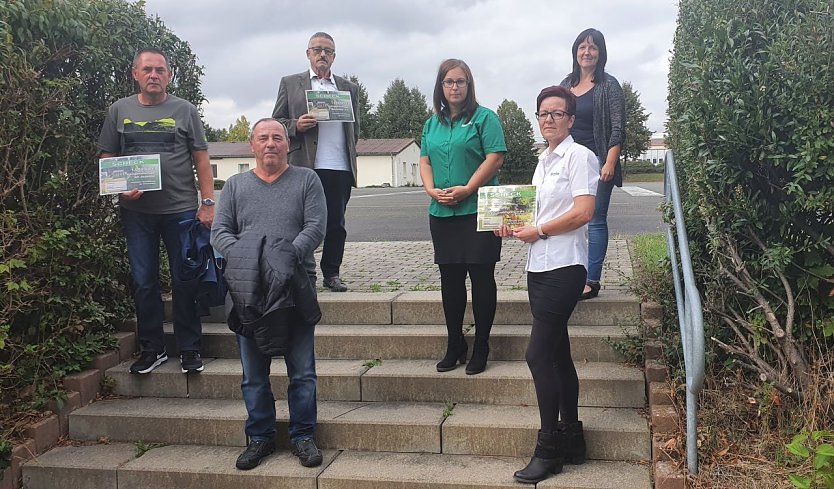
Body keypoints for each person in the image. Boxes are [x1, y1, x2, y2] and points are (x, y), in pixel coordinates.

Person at [210, 118, 327, 470]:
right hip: (248, 292)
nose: (271, 143)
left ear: (288, 144)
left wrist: (282, 259)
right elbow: (220, 232)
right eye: (263, 138)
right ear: (252, 145)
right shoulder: (235, 186)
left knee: (302, 371)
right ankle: (260, 437)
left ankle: (303, 435)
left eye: (277, 137)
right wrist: (253, 261)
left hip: (296, 288)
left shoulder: (307, 180)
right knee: (253, 375)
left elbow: (315, 226)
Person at [496, 86, 598, 484]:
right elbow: (536, 215)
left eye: (557, 113)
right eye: (543, 113)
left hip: (565, 266)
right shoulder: (543, 161)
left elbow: (584, 212)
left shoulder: (579, 156)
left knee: (537, 355)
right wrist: (509, 225)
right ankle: (573, 438)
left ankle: (548, 448)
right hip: (538, 266)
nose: (549, 119)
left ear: (571, 119)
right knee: (558, 355)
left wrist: (538, 230)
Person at [98, 48, 213, 375]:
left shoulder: (185, 110)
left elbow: (201, 158)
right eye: (147, 69)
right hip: (137, 213)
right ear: (135, 73)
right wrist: (120, 187)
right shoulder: (119, 110)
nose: (154, 75)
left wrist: (207, 203)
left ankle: (190, 348)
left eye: (160, 70)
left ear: (169, 75)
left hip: (181, 210)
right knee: (144, 281)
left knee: (185, 280)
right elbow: (107, 157)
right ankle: (153, 349)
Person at [419, 59, 506, 375]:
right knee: (450, 280)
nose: (454, 87)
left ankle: (482, 345)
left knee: (482, 278)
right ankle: (455, 343)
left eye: (460, 81)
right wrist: (431, 190)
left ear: (469, 85)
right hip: (443, 212)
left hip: (481, 208)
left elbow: (495, 158)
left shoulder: (485, 118)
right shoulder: (431, 124)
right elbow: (425, 161)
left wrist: (468, 188)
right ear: (440, 87)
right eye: (448, 82)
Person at [272, 32, 360, 292]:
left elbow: (355, 129)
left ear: (334, 56)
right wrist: (295, 125)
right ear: (308, 53)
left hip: (339, 166)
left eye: (328, 51)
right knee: (298, 222)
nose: (323, 55)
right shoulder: (290, 83)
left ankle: (332, 273)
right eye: (318, 49)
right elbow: (276, 122)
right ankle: (297, 272)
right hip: (303, 165)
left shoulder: (349, 88)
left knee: (336, 224)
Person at [559, 28, 625, 300]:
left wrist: (610, 162)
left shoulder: (609, 85)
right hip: (568, 161)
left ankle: (591, 280)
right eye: (582, 47)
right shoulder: (566, 84)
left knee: (595, 219)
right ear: (575, 52)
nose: (587, 52)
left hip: (598, 161)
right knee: (568, 219)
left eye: (593, 47)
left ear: (600, 53)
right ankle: (568, 275)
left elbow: (618, 128)